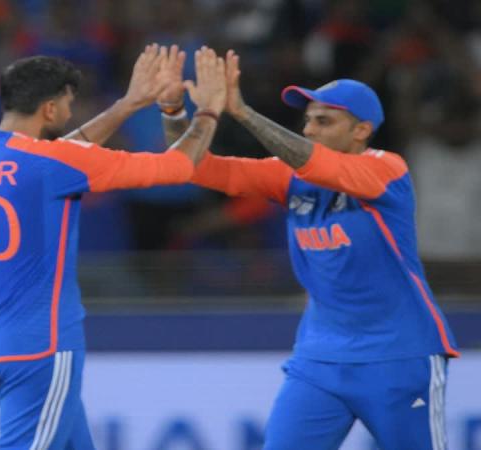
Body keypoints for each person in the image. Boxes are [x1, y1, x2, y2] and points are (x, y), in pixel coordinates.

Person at [161, 49, 458, 449]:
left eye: (324, 121)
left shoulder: (387, 169)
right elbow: (195, 167)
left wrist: (244, 113)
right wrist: (173, 111)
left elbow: (316, 163)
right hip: (319, 358)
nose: (309, 129)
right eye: (308, 120)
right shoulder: (290, 176)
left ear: (361, 130)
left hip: (398, 354)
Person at [0, 44, 226, 449]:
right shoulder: (54, 164)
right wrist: (208, 111)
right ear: (49, 109)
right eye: (67, 103)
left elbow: (58, 156)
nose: (70, 112)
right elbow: (179, 167)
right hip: (42, 346)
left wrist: (128, 104)